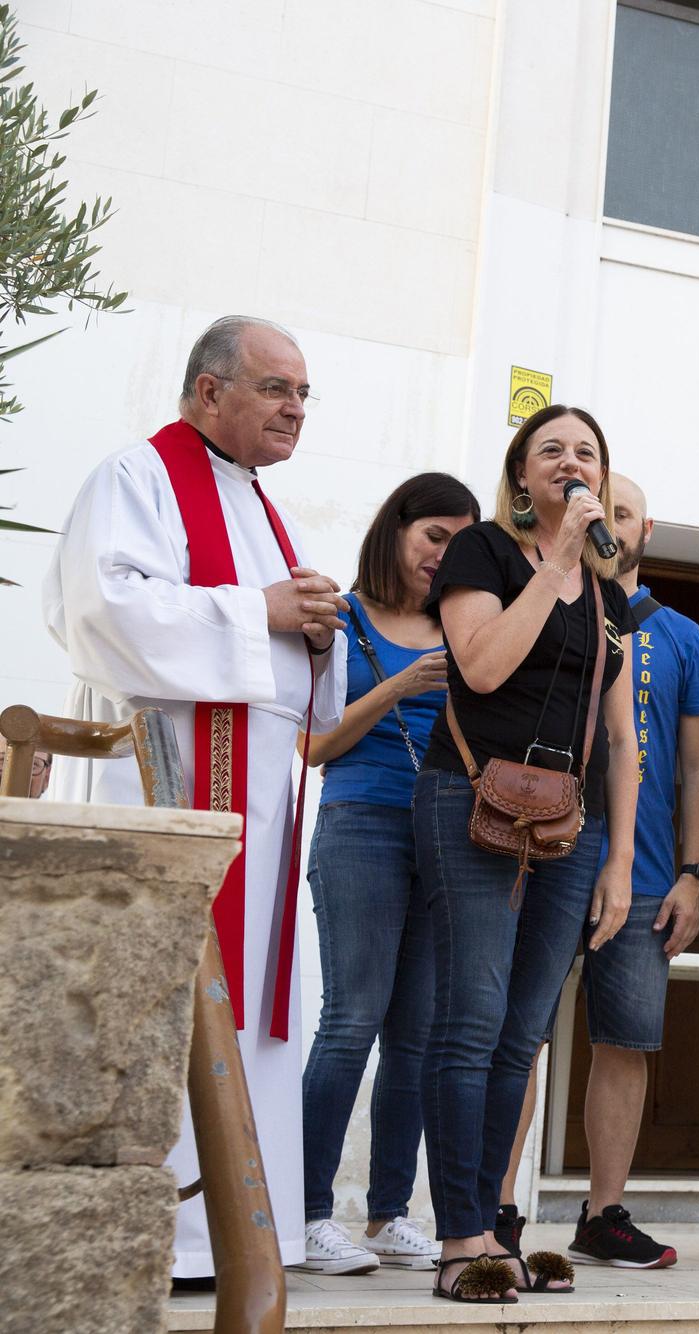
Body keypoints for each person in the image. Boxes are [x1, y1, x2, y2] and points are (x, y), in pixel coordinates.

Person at [43, 315, 348, 1281]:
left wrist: (320, 633)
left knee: (253, 999)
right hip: (165, 780)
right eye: (275, 388)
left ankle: (241, 1233)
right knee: (161, 989)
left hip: (258, 795)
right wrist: (259, 612)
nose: (295, 409)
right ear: (209, 391)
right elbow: (102, 612)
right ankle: (163, 1231)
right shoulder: (137, 478)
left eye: (303, 393)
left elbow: (292, 682)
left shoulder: (260, 507)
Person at [416, 404, 639, 1304]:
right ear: (521, 476)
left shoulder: (613, 600)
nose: (571, 462)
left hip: (563, 824)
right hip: (469, 798)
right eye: (552, 450)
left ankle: (494, 1224)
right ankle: (456, 1236)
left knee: (521, 1035)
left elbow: (621, 741)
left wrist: (620, 860)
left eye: (586, 452)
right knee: (468, 1023)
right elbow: (480, 666)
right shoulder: (485, 553)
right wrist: (554, 565)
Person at [491, 473, 699, 1271]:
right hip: (540, 851)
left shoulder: (682, 634)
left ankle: (603, 1213)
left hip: (648, 875)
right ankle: (497, 1210)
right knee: (516, 1037)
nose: (610, 526)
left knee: (624, 1044)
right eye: (601, 510)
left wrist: (693, 872)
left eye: (623, 513)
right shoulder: (535, 602)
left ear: (645, 528)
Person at [294, 473, 480, 1275]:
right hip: (362, 823)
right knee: (351, 1019)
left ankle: (386, 1214)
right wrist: (401, 686)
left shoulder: (465, 626)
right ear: (396, 530)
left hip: (444, 837)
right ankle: (303, 1214)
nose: (442, 556)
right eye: (433, 536)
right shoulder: (343, 617)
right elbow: (314, 744)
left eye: (458, 543)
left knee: (416, 1039)